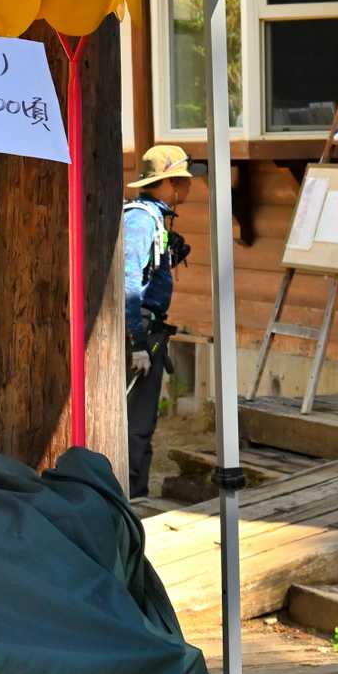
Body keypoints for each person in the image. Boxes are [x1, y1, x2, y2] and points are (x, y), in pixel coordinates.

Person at [123, 144, 193, 499]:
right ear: (170, 183)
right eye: (184, 180)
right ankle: (131, 498)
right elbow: (128, 283)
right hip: (139, 331)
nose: (189, 187)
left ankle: (134, 492)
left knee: (142, 421)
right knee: (135, 423)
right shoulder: (140, 220)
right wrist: (137, 342)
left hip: (147, 328)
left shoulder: (152, 217)